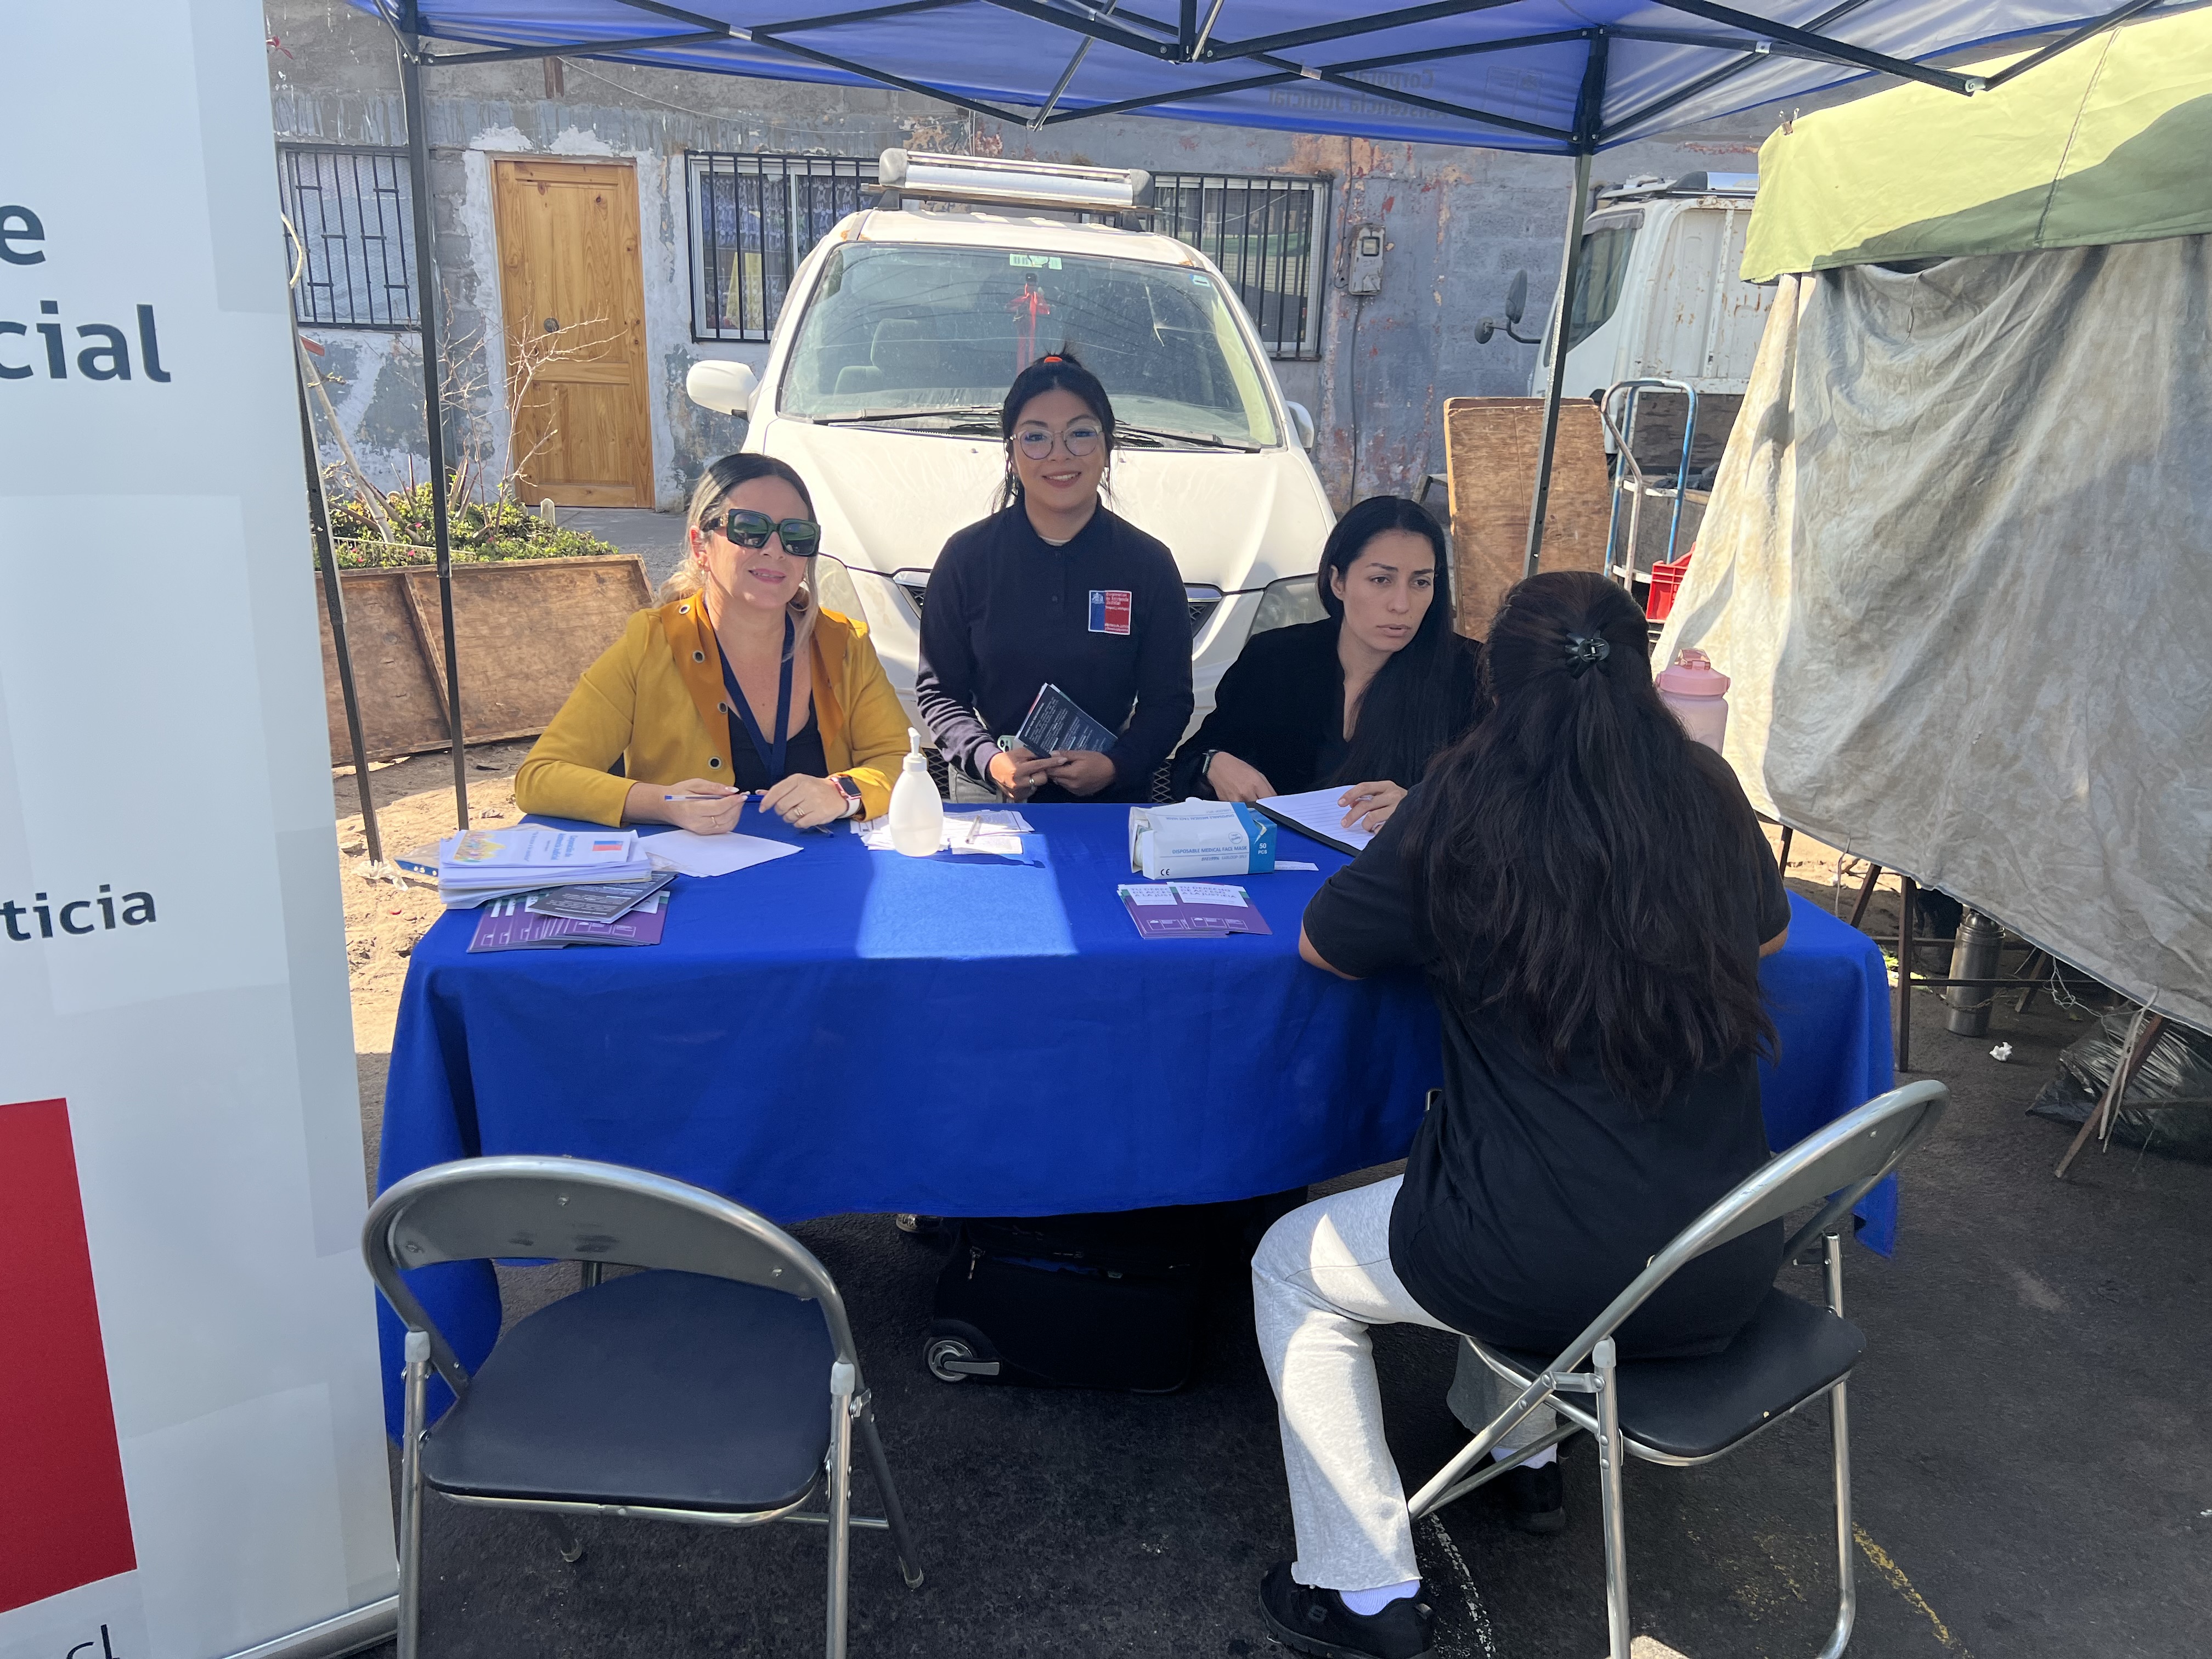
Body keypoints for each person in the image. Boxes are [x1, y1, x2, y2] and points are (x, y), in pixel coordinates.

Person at [1250, 571, 1793, 1659]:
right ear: (1641, 668)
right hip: (1725, 1255)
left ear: (1495, 675)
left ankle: (1364, 1591)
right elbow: (1769, 937)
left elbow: (1324, 943)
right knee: (1529, 1169)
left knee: (1292, 1264)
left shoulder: (1465, 795)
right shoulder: (1706, 787)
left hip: (1542, 1263)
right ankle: (1520, 1450)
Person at [515, 453, 908, 830]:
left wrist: (842, 792)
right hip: (691, 883)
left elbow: (900, 761)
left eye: (796, 535)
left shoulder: (845, 645)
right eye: (750, 530)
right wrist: (663, 804)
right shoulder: (652, 644)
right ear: (701, 546)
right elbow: (542, 777)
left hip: (826, 877)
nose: (774, 550)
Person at [914, 351, 1193, 805]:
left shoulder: (1149, 564)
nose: (1060, 455)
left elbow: (1170, 702)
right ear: (1010, 454)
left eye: (1081, 434)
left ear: (1107, 448)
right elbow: (941, 692)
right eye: (1036, 437)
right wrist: (989, 760)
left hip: (1112, 805)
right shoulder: (966, 559)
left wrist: (1117, 765)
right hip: (994, 803)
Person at [1169, 495, 1482, 836]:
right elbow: (1193, 757)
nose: (1401, 604)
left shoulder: (1471, 674)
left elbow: (1505, 801)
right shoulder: (1276, 659)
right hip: (1279, 870)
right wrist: (1214, 763)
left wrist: (1421, 809)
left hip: (1400, 879)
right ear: (1338, 582)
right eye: (1381, 580)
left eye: (1420, 582)